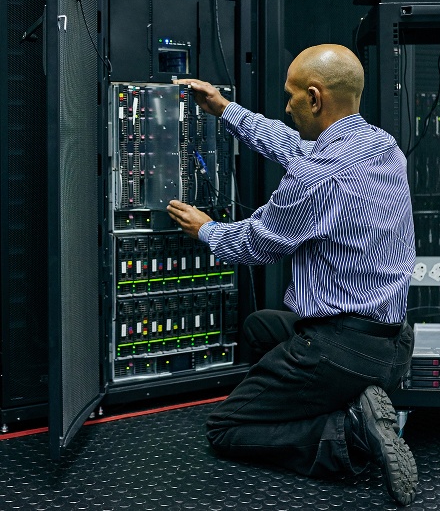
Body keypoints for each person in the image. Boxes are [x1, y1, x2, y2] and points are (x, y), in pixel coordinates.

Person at [167, 44, 418, 506]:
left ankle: (349, 436)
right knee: (261, 326)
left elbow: (255, 244)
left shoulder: (316, 178)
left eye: (291, 96)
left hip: (342, 349)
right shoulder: (383, 146)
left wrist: (206, 229)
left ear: (315, 97)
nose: (285, 106)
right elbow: (294, 147)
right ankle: (356, 399)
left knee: (226, 428)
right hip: (395, 343)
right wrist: (226, 110)